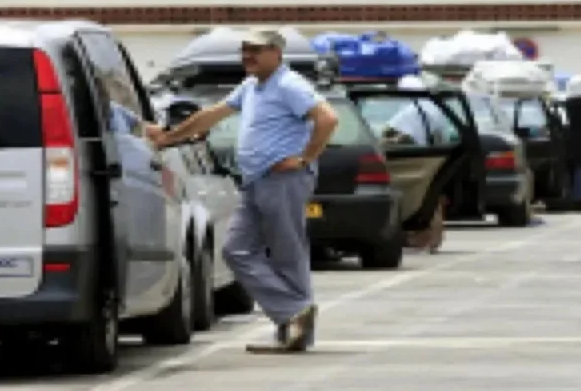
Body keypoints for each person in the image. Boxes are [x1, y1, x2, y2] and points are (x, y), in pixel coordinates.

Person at [149, 27, 339, 352]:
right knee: (236, 249)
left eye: (257, 50)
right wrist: (168, 137)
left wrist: (304, 158)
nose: (248, 55)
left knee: (287, 252)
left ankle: (294, 325)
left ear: (276, 54)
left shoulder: (288, 84)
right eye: (245, 49)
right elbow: (212, 115)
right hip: (256, 181)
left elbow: (328, 118)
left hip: (283, 180)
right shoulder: (253, 86)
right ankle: (293, 315)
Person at [381, 75, 449, 253]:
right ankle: (433, 237)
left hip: (411, 158)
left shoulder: (409, 112)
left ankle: (422, 237)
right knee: (432, 199)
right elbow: (442, 135)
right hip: (433, 158)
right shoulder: (435, 108)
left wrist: (391, 141)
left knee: (415, 199)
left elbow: (397, 136)